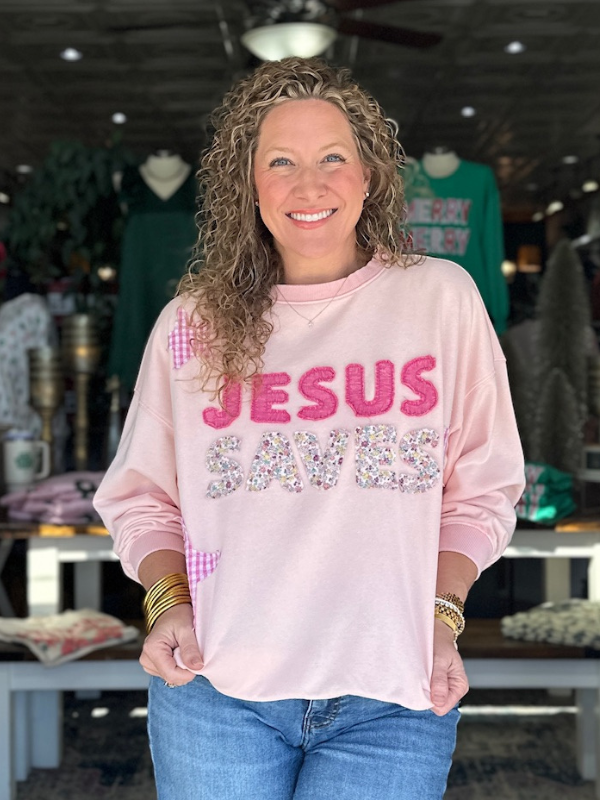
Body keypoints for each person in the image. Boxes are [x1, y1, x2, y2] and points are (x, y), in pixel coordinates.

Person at [93, 56, 525, 800]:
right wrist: (169, 607)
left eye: (333, 158)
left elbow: (481, 489)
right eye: (281, 162)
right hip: (218, 692)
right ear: (248, 186)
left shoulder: (441, 301)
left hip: (394, 690)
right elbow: (142, 498)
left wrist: (442, 617)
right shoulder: (190, 327)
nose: (309, 185)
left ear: (369, 176)